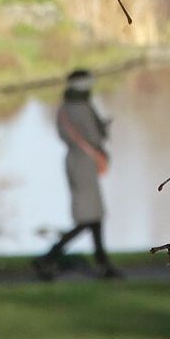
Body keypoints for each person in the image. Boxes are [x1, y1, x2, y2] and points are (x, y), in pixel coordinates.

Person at [33, 69, 122, 280]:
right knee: (89, 216)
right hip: (85, 162)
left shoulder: (64, 107)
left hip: (74, 161)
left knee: (93, 216)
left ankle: (102, 263)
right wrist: (103, 131)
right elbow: (94, 136)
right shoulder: (81, 107)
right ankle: (50, 257)